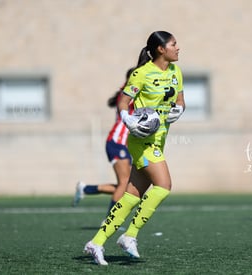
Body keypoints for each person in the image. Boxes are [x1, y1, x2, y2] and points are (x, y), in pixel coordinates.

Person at [83, 30, 185, 265]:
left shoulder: (176, 72)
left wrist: (178, 110)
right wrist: (128, 119)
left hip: (159, 139)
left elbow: (180, 101)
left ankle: (96, 242)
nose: (178, 48)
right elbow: (122, 102)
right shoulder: (142, 73)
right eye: (173, 44)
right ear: (161, 49)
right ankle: (130, 235)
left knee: (132, 195)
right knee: (164, 185)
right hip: (142, 141)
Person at [72, 69, 134, 215]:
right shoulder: (128, 92)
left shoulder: (129, 91)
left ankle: (85, 189)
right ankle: (109, 220)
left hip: (122, 144)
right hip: (117, 142)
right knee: (125, 183)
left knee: (125, 185)